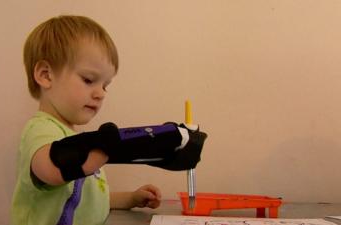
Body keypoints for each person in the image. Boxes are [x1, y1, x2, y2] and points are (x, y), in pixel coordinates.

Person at [11, 15, 207, 225]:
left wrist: (130, 198)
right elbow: (48, 169)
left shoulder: (73, 138)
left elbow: (92, 200)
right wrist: (102, 148)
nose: (101, 94)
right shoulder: (41, 129)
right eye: (88, 80)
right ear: (46, 75)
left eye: (105, 85)